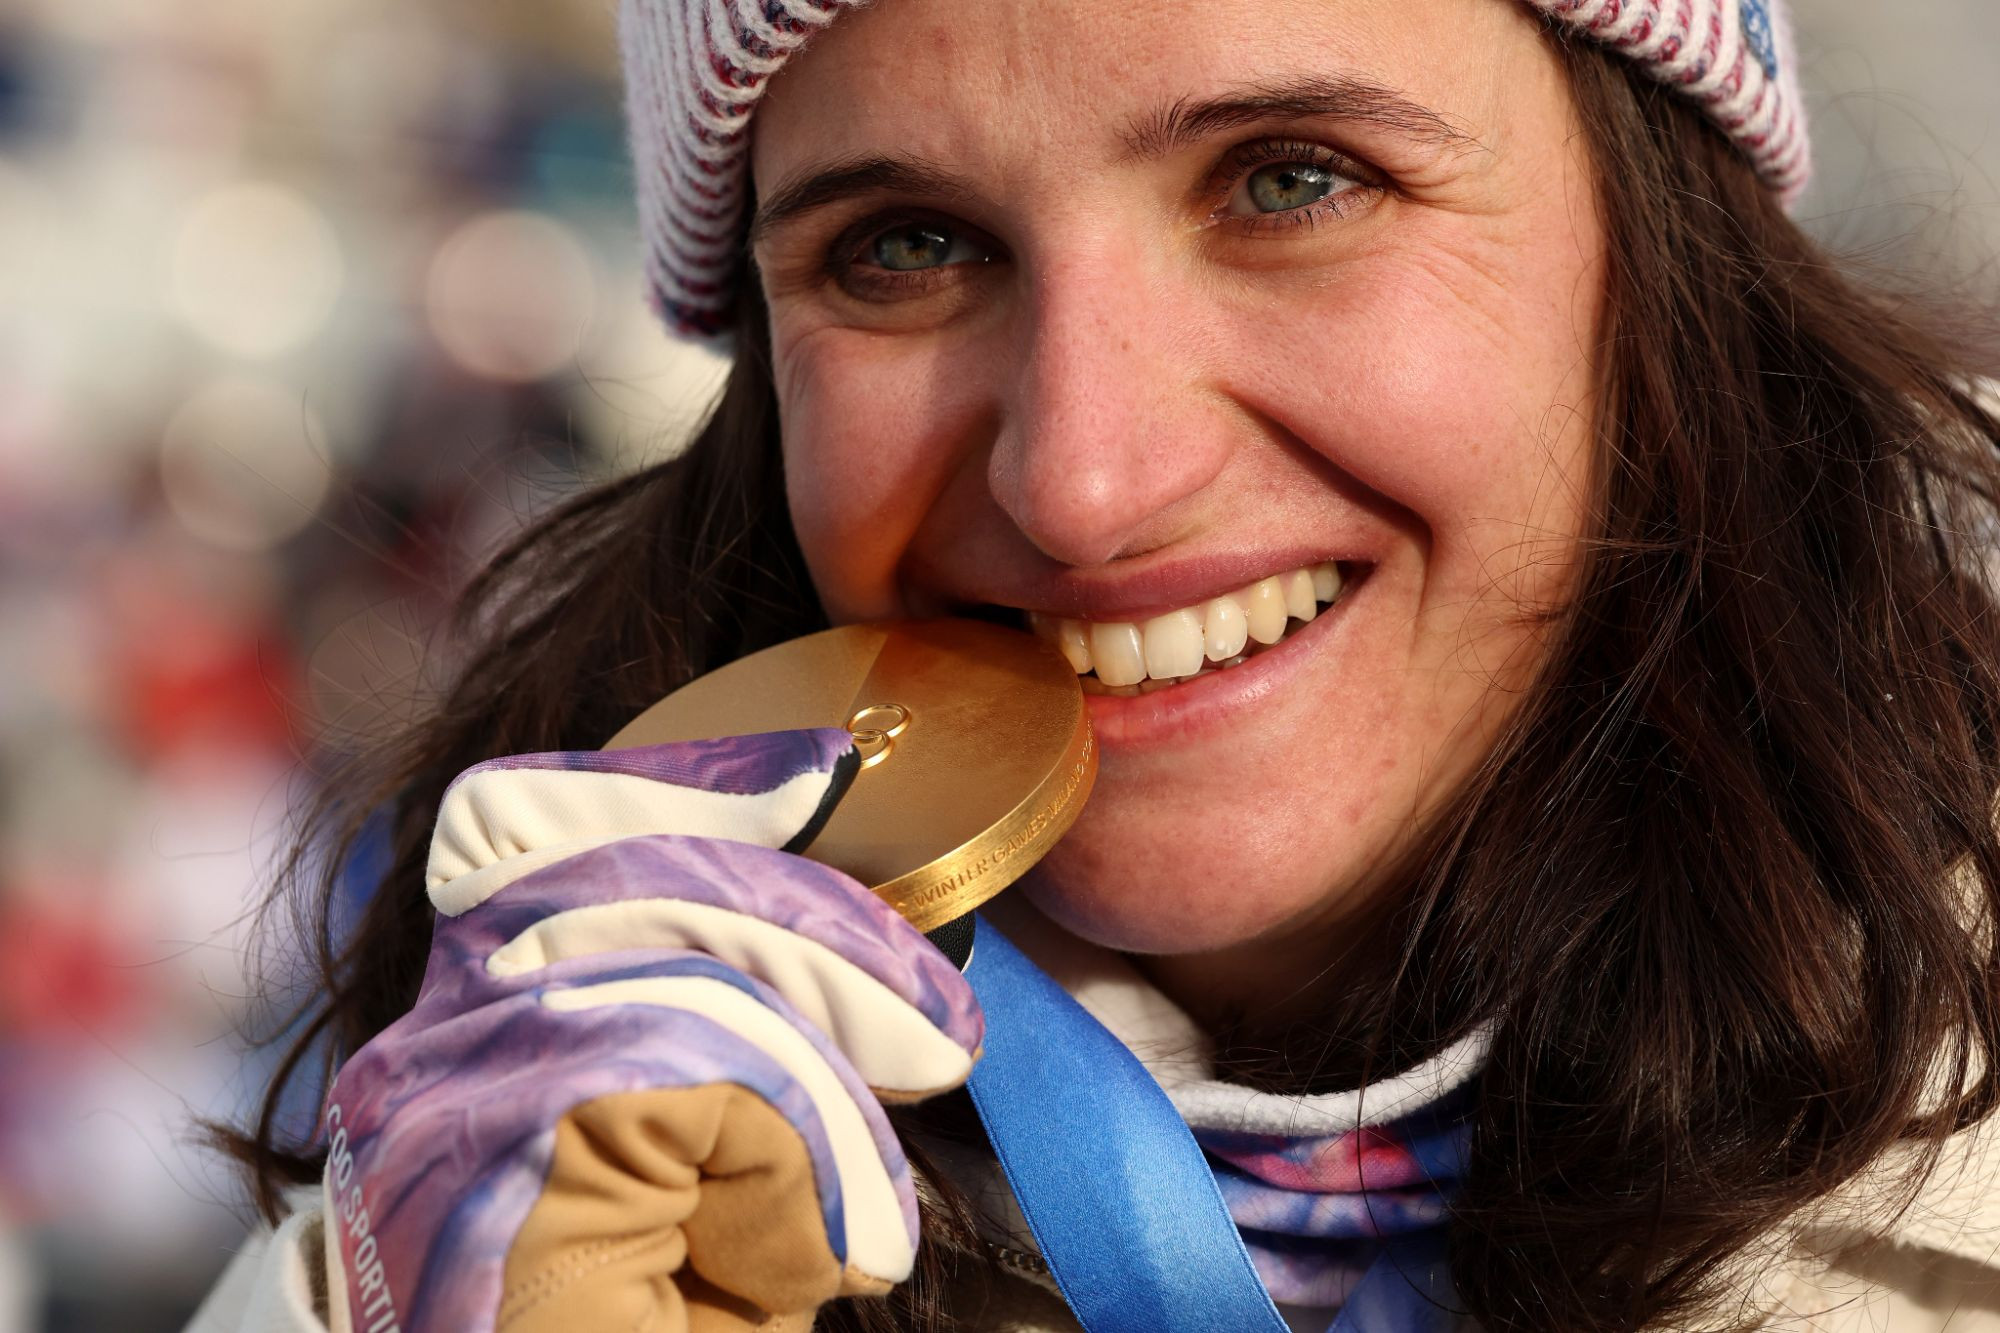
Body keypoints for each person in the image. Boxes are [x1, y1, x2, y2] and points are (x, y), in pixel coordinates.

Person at [191, 0, 2000, 1329]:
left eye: (1293, 179)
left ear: (1667, 250)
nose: (1081, 480)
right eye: (906, 246)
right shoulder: (512, 1180)